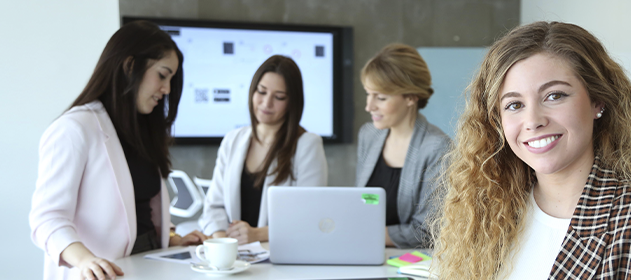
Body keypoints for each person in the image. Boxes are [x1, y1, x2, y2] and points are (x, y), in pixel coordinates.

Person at [430, 21, 631, 279]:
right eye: (514, 105)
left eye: (554, 96)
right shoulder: (485, 210)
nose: (533, 120)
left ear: (597, 101)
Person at [29, 21, 208, 280]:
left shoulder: (141, 129)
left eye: (170, 80)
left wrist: (172, 238)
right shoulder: (75, 128)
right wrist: (86, 260)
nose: (167, 89)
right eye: (162, 75)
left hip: (150, 263)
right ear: (130, 65)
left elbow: (139, 209)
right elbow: (47, 219)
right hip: (103, 272)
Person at [198, 55, 328, 244]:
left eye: (279, 97)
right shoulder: (233, 140)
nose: (267, 104)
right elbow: (214, 206)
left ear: (292, 101)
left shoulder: (307, 144)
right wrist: (222, 244)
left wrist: (258, 235)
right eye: (261, 92)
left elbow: (311, 215)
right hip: (235, 255)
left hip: (280, 255)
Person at [356, 43, 450, 249]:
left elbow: (427, 230)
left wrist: (360, 233)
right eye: (368, 94)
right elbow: (362, 204)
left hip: (408, 262)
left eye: (380, 97)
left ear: (411, 97)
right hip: (366, 249)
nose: (369, 106)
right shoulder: (368, 135)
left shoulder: (438, 148)